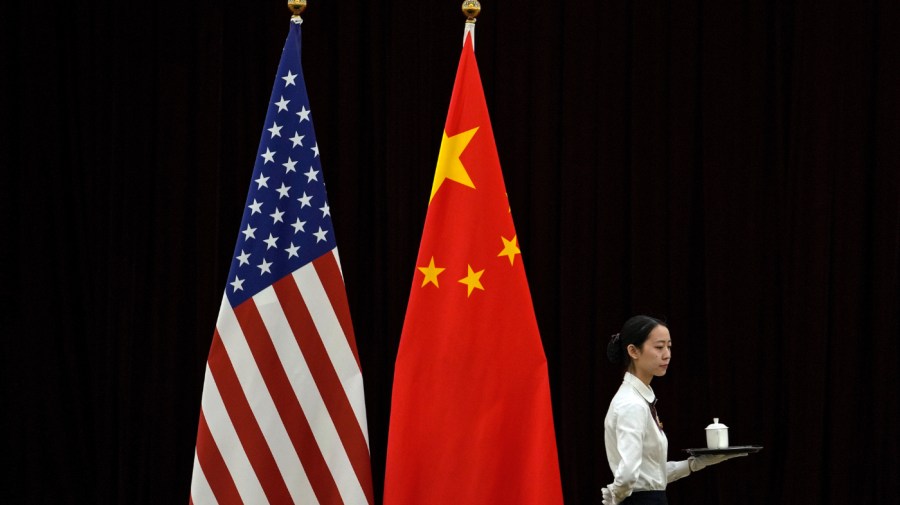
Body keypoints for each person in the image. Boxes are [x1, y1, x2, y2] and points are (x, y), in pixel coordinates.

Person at [602, 315, 746, 505]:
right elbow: (629, 475)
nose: (667, 354)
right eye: (659, 347)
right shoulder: (631, 404)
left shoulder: (640, 399)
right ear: (633, 351)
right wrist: (616, 497)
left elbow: (651, 476)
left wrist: (694, 464)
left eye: (669, 347)